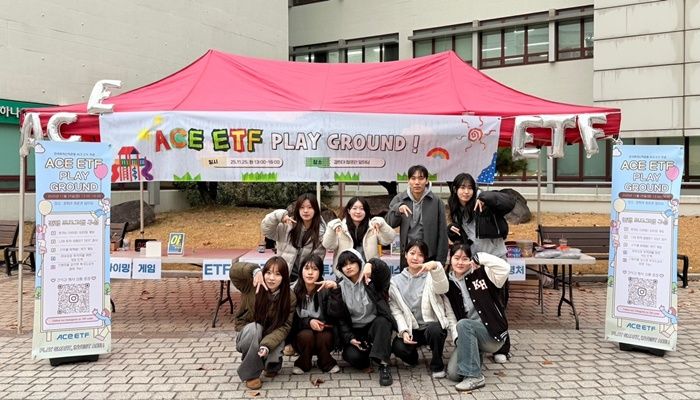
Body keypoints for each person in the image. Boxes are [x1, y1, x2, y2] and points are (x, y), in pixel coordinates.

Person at [447, 172, 515, 364]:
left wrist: (486, 198)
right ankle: (481, 339)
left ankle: (503, 347)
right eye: (462, 187)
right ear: (455, 189)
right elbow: (465, 240)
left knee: (498, 302)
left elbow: (509, 201)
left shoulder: (485, 200)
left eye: (470, 188)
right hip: (475, 263)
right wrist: (452, 232)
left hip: (494, 259)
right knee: (481, 303)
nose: (466, 192)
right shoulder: (457, 209)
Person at [324, 248, 396, 386]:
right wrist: (350, 338)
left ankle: (384, 365)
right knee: (352, 356)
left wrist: (371, 264)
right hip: (355, 331)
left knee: (384, 322)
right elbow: (339, 318)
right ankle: (372, 353)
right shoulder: (339, 286)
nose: (348, 267)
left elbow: (385, 272)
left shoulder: (372, 281)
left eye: (352, 262)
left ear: (359, 262)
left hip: (373, 325)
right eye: (344, 265)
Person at [443, 243, 510, 391]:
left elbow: (505, 268)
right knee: (454, 374)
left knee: (464, 324)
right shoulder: (448, 285)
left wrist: (480, 258)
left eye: (465, 258)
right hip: (467, 335)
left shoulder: (483, 274)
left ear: (471, 259)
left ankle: (475, 377)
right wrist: (459, 340)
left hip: (492, 335)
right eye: (456, 258)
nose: (460, 262)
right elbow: (451, 317)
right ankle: (475, 355)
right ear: (450, 259)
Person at [388, 240, 454, 378]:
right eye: (412, 253)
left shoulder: (431, 276)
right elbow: (396, 310)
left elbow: (443, 288)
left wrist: (436, 267)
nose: (415, 257)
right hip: (412, 329)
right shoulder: (395, 281)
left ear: (425, 258)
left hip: (430, 327)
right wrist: (404, 331)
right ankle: (412, 359)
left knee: (436, 330)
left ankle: (437, 364)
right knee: (398, 347)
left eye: (420, 255)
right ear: (405, 255)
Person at [229, 257, 296, 390]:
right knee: (255, 329)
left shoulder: (290, 297)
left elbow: (285, 326)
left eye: (277, 274)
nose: (271, 278)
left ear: (284, 278)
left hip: (272, 334)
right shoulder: (251, 284)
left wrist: (266, 345)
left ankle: (272, 363)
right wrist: (254, 271)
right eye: (268, 272)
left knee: (271, 364)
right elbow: (233, 272)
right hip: (249, 332)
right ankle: (251, 375)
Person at [386, 165, 448, 267]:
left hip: (429, 256)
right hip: (408, 255)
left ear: (427, 181)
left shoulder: (436, 201)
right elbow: (389, 223)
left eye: (421, 178)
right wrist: (398, 209)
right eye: (413, 178)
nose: (417, 182)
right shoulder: (400, 198)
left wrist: (440, 261)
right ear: (408, 181)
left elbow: (442, 233)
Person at [289, 254, 340, 375]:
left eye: (315, 269)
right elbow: (291, 320)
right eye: (306, 268)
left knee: (324, 336)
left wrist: (335, 291)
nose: (310, 273)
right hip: (301, 332)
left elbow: (336, 314)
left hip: (324, 330)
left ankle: (326, 362)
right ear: (301, 270)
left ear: (320, 272)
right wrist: (309, 322)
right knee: (307, 335)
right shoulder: (292, 290)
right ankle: (303, 363)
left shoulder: (326, 289)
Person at [261, 193, 326, 282]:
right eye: (302, 207)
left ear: (316, 209)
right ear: (297, 209)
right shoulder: (287, 226)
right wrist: (279, 215)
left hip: (306, 280)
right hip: (284, 276)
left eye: (310, 207)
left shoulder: (322, 232)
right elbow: (266, 229)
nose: (305, 211)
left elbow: (327, 250)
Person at [322, 196, 395, 267]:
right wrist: (330, 228)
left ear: (366, 211)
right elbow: (329, 246)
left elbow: (389, 240)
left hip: (369, 270)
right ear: (348, 211)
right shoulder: (339, 227)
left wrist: (382, 224)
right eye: (354, 208)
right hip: (345, 271)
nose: (358, 212)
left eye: (362, 209)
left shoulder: (373, 227)